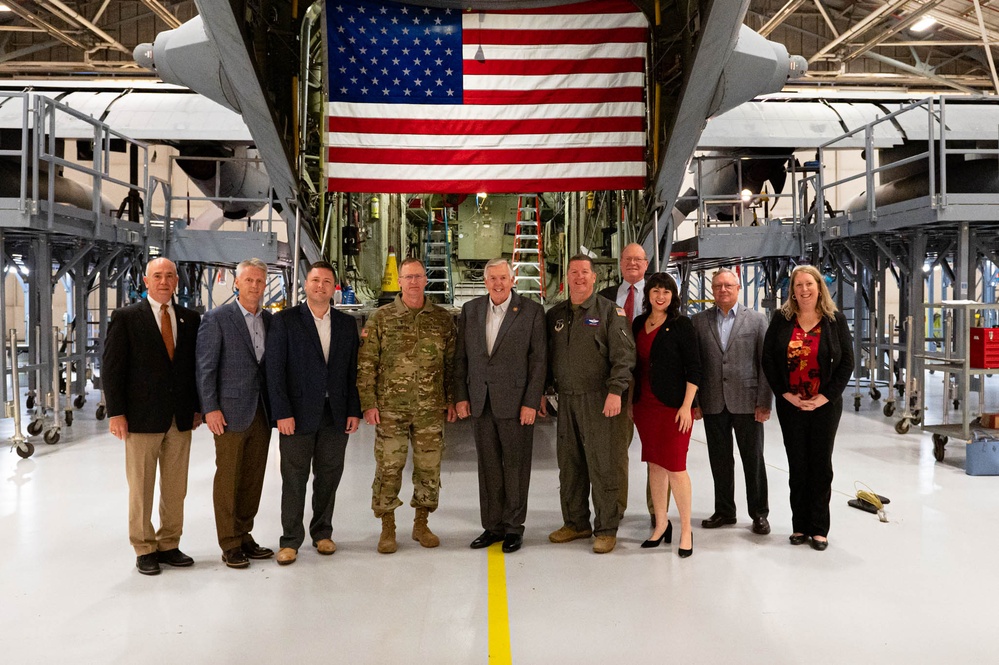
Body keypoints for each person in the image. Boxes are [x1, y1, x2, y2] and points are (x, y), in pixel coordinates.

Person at [103, 257, 202, 576]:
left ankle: (169, 543)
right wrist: (116, 412)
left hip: (180, 417)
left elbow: (194, 369)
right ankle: (144, 547)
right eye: (157, 276)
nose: (163, 281)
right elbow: (112, 369)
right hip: (140, 418)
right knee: (141, 486)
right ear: (146, 282)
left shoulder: (190, 318)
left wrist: (198, 406)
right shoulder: (126, 317)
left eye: (169, 276)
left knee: (176, 487)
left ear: (177, 281)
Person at [357, 257, 457, 554]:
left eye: (418, 276)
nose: (414, 282)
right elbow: (366, 363)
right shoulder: (382, 318)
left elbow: (452, 364)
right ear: (399, 281)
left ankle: (421, 523)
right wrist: (368, 403)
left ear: (426, 280)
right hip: (390, 409)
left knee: (429, 468)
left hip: (430, 408)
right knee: (389, 467)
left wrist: (450, 399)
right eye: (408, 277)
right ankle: (388, 526)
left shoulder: (441, 319)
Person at [265, 261, 361, 565]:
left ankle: (322, 533)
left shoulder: (346, 325)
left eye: (326, 281)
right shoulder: (286, 321)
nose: (320, 286)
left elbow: (351, 372)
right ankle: (290, 540)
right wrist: (281, 412)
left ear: (334, 288)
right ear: (306, 285)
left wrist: (353, 410)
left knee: (328, 477)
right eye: (315, 280)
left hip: (335, 414)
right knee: (294, 478)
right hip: (296, 414)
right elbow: (274, 370)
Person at [454, 258, 546, 554]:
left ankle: (513, 528)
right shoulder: (471, 311)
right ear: (485, 282)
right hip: (480, 402)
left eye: (502, 278)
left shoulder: (531, 311)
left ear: (512, 279)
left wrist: (532, 401)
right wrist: (461, 396)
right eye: (492, 278)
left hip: (517, 403)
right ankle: (492, 526)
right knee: (489, 466)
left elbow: (538, 361)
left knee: (516, 467)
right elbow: (461, 358)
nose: (497, 283)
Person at [546, 254, 635, 554]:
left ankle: (607, 528)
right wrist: (544, 392)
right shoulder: (556, 314)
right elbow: (547, 358)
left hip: (601, 400)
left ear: (594, 277)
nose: (579, 277)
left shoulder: (610, 312)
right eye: (574, 272)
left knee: (604, 464)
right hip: (566, 400)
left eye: (585, 272)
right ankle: (576, 522)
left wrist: (616, 391)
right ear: (567, 277)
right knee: (569, 464)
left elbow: (624, 357)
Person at [762, 265, 854, 552]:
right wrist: (784, 394)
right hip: (792, 406)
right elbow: (768, 360)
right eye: (798, 285)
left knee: (820, 466)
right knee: (798, 466)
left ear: (819, 287)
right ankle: (799, 525)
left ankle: (819, 528)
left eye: (809, 284)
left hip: (824, 406)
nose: (803, 290)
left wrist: (826, 396)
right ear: (792, 290)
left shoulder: (833, 320)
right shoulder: (782, 318)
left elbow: (847, 363)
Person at [195, 258, 274, 569]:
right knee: (228, 477)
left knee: (253, 478)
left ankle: (244, 534)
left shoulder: (269, 320)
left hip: (262, 411)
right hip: (228, 412)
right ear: (237, 283)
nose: (254, 286)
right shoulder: (217, 319)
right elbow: (205, 367)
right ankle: (228, 542)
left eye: (259, 281)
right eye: (249, 281)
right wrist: (210, 408)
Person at [691, 268, 772, 535]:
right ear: (712, 291)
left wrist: (764, 402)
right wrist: (695, 401)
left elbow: (765, 365)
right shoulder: (699, 322)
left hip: (748, 402)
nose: (723, 290)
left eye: (728, 285)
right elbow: (695, 365)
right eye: (717, 286)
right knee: (720, 459)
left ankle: (759, 514)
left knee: (753, 459)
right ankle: (725, 511)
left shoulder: (757, 320)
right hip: (713, 401)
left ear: (738, 288)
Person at [631, 272, 700, 558]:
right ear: (648, 294)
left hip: (673, 408)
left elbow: (695, 368)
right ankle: (660, 524)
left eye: (666, 292)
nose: (661, 296)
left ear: (673, 296)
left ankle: (686, 530)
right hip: (644, 406)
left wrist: (686, 405)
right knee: (655, 466)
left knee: (675, 467)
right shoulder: (638, 324)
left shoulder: (681, 325)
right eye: (656, 291)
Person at [598, 242, 654, 523]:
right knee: (615, 451)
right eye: (627, 259)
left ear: (646, 264)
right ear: (620, 263)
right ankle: (616, 507)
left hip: (651, 384)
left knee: (656, 453)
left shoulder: (659, 296)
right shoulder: (605, 298)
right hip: (617, 384)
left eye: (638, 259)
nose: (632, 263)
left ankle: (657, 511)